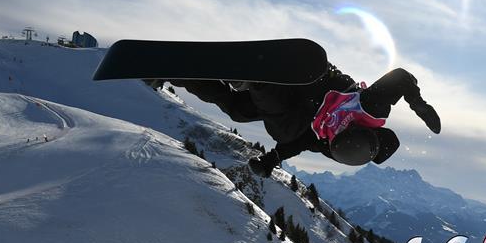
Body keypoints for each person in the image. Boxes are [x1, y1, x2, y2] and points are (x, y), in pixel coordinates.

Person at [171, 65, 441, 176]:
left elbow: (304, 142)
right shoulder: (373, 108)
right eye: (342, 132)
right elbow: (401, 77)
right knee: (284, 125)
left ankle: (182, 74)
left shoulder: (335, 147)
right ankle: (257, 81)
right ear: (362, 132)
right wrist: (420, 106)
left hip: (296, 106)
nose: (335, 133)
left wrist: (273, 158)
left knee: (238, 111)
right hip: (311, 82)